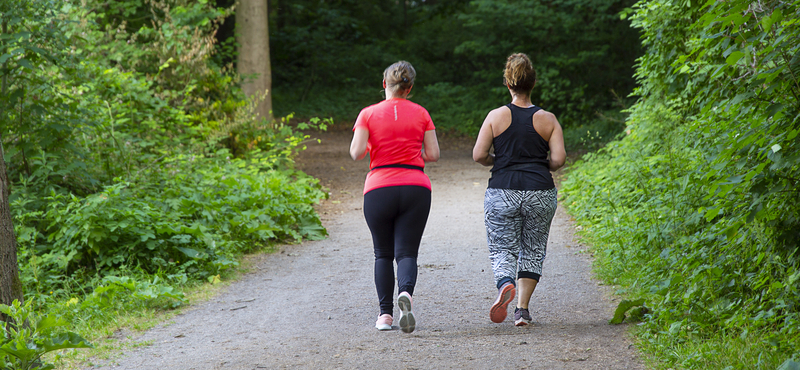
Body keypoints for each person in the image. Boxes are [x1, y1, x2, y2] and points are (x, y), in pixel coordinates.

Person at [472, 53, 566, 326]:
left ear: (507, 83)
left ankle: (505, 283)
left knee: (503, 248)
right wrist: (540, 164)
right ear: (533, 83)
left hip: (503, 189)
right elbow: (558, 160)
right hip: (540, 190)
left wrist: (497, 161)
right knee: (533, 248)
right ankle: (522, 310)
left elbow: (479, 154)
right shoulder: (548, 119)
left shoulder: (495, 116)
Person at [350, 60, 440, 333]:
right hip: (415, 186)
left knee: (382, 253)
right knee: (407, 253)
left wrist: (375, 145)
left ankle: (385, 316)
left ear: (384, 84)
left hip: (379, 187)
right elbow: (433, 154)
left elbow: (356, 153)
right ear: (409, 88)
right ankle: (407, 294)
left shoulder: (368, 114)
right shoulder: (422, 113)